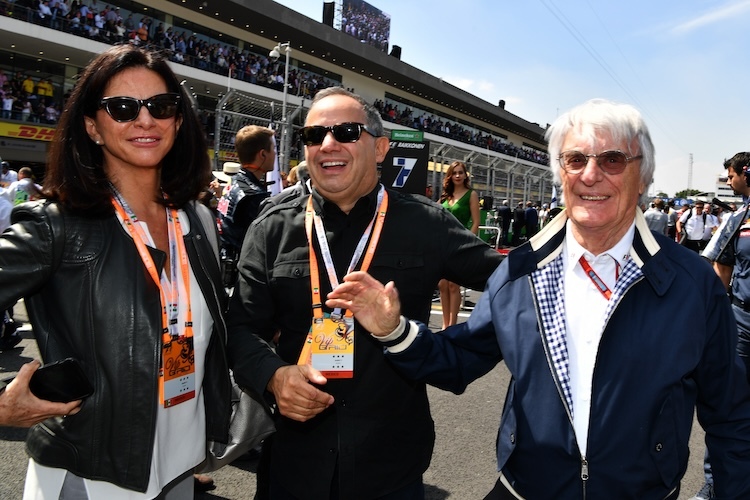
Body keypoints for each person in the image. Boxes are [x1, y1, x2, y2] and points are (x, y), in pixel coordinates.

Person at [327, 98, 750, 498]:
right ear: (560, 172)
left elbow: (731, 415)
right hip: (525, 490)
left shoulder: (691, 281)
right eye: (576, 159)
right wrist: (394, 331)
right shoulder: (519, 272)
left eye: (612, 160)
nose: (591, 175)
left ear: (643, 176)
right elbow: (459, 360)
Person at [226, 87, 502, 499]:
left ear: (380, 148)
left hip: (389, 467)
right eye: (314, 135)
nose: (327, 145)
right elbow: (240, 329)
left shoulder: (426, 224)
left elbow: (511, 281)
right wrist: (273, 376)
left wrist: (444, 353)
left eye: (346, 132)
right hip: (294, 463)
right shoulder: (272, 228)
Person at [0, 44, 231, 499]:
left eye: (161, 106)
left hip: (180, 464)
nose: (145, 121)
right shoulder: (57, 225)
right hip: (95, 474)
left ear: (178, 121)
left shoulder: (197, 220)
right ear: (93, 127)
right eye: (122, 108)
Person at [697, 152, 750, 500]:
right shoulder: (740, 219)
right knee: (729, 410)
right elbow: (719, 272)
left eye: (732, 175)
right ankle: (715, 485)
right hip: (742, 328)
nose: (729, 180)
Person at [216, 124, 275, 288]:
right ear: (263, 154)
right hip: (241, 276)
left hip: (225, 264)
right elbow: (261, 246)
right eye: (273, 150)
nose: (276, 154)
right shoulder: (253, 195)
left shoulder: (234, 182)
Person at [438, 160, 480, 328]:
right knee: (442, 285)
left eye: (460, 172)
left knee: (454, 286)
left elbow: (476, 223)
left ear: (465, 175)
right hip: (442, 243)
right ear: (450, 175)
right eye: (454, 173)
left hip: (460, 245)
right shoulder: (445, 197)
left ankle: (452, 326)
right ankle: (444, 324)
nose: (457, 176)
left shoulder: (472, 194)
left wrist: (467, 243)